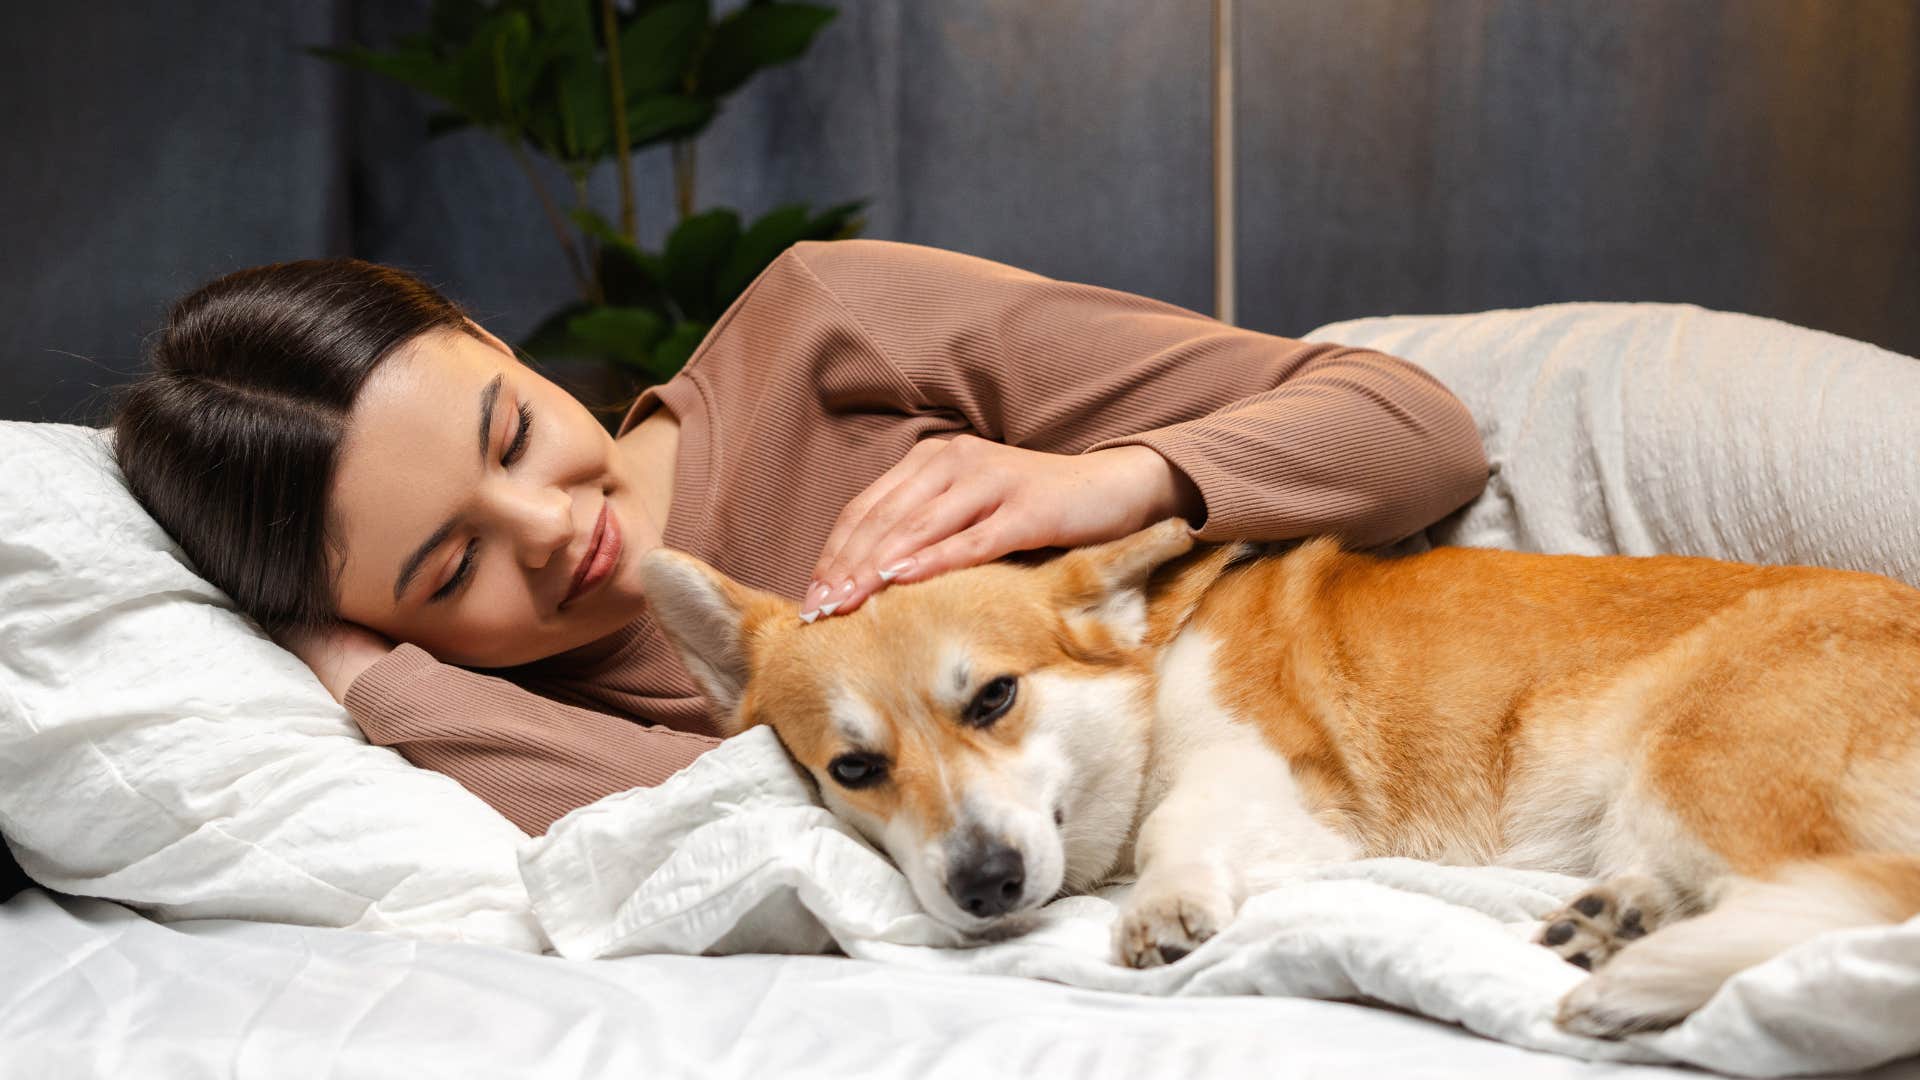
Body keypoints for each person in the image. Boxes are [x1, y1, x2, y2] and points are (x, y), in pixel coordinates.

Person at [109, 238, 1490, 836]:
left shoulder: (833, 323)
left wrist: (1114, 482)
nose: (553, 529)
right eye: (449, 566)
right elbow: (760, 834)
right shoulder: (502, 709)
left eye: (513, 431)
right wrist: (365, 678)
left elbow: (1419, 428)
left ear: (492, 341)